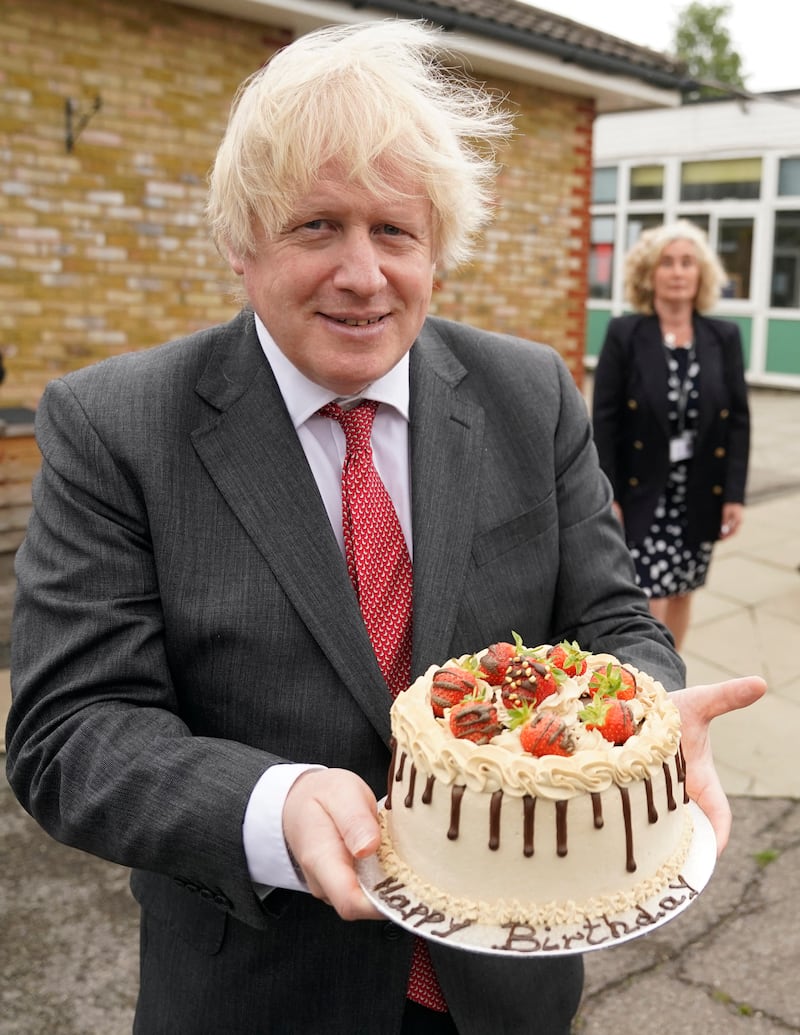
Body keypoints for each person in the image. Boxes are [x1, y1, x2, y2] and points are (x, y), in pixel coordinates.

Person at [5, 21, 764, 1035]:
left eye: (394, 232)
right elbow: (70, 732)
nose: (362, 274)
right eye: (316, 226)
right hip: (261, 992)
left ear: (436, 250)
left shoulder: (528, 395)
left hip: (508, 985)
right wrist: (271, 806)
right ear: (241, 243)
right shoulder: (116, 426)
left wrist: (646, 724)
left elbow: (615, 628)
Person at [591, 220, 750, 651]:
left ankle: (671, 674)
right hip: (644, 488)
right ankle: (650, 679)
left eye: (687, 263)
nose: (678, 272)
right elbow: (604, 419)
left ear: (701, 275)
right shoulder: (626, 334)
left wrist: (734, 493)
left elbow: (737, 418)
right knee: (648, 595)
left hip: (699, 488)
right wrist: (608, 493)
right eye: (667, 262)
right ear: (650, 274)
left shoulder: (723, 336)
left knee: (683, 588)